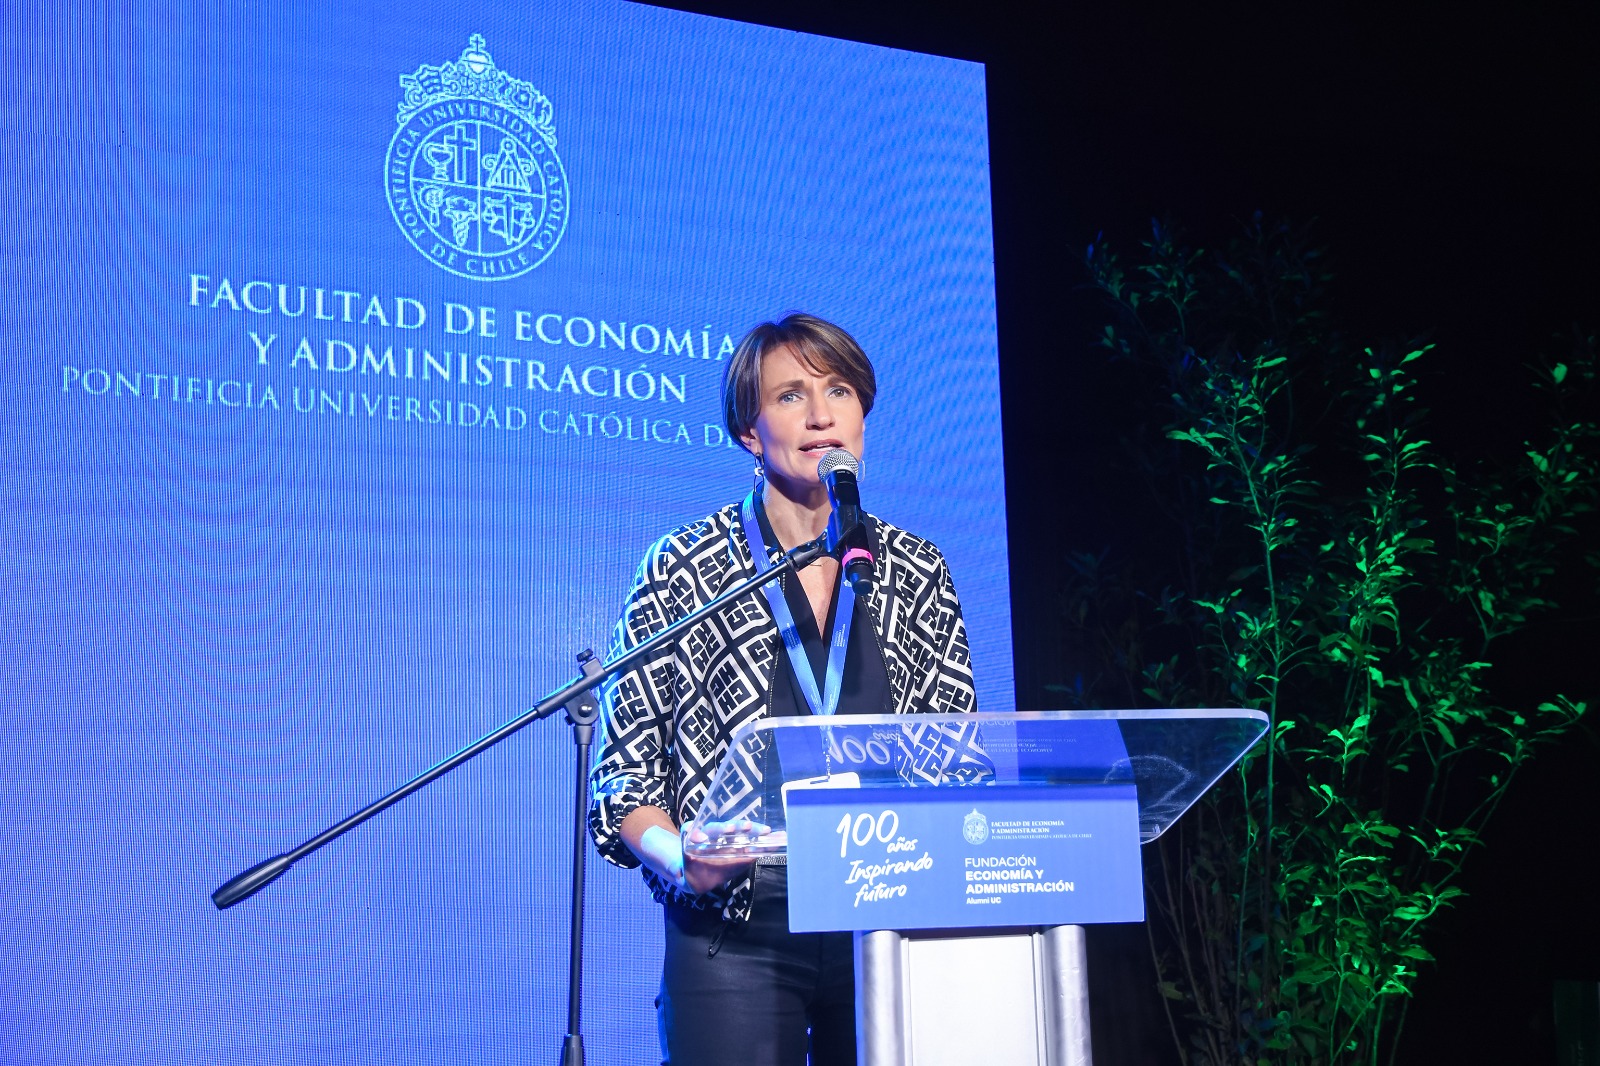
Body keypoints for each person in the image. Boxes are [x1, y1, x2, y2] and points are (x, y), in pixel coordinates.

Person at [588, 312, 979, 1066]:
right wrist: (682, 859)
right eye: (791, 395)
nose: (823, 414)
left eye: (839, 390)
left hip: (887, 919)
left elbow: (956, 757)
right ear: (748, 430)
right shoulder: (684, 567)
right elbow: (622, 772)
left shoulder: (916, 568)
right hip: (739, 926)